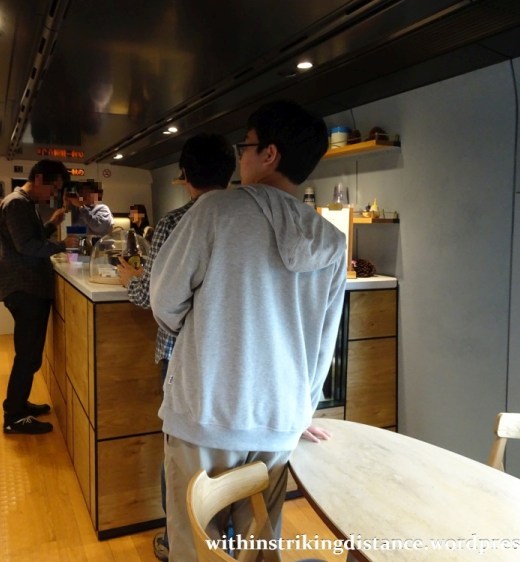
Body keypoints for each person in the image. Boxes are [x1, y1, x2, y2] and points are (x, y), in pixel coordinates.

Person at [149, 100, 347, 561]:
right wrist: (301, 411)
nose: (241, 155)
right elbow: (324, 343)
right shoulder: (331, 241)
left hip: (206, 413)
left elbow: (164, 302)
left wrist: (197, 322)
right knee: (260, 548)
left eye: (247, 145)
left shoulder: (216, 210)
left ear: (269, 154)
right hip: (278, 423)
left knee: (196, 547)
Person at [116, 132, 236, 561]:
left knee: (182, 449)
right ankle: (229, 533)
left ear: (184, 174)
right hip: (233, 354)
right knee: (229, 447)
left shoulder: (174, 222)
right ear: (231, 171)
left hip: (180, 352)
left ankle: (177, 538)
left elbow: (151, 296)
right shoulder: (245, 218)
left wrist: (128, 280)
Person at [0, 159, 79, 435]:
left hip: (27, 289)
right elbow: (27, 247)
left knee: (29, 355)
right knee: (28, 356)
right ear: (40, 178)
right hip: (25, 290)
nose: (52, 195)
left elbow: (31, 239)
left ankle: (18, 404)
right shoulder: (17, 204)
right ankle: (14, 417)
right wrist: (62, 245)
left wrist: (51, 224)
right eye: (53, 188)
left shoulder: (24, 203)